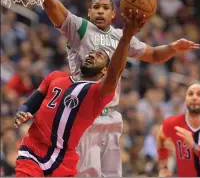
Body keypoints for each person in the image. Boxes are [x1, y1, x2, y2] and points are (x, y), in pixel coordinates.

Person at [43, 0, 200, 177]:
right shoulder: (79, 27)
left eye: (106, 8)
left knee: (112, 174)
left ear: (114, 15)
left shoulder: (121, 36)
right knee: (86, 174)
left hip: (111, 116)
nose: (100, 11)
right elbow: (50, 4)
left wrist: (173, 48)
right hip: (86, 111)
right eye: (96, 7)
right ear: (89, 12)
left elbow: (154, 55)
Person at [14, 10, 144, 177]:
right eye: (91, 53)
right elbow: (33, 101)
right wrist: (22, 111)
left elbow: (115, 73)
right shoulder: (56, 76)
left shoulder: (98, 92)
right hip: (32, 148)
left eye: (98, 56)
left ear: (104, 70)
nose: (91, 55)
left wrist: (125, 38)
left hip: (63, 159)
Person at [156, 84, 200, 177]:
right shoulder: (173, 123)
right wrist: (164, 167)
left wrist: (193, 146)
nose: (194, 97)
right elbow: (161, 136)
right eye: (190, 94)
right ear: (185, 101)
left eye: (199, 94)